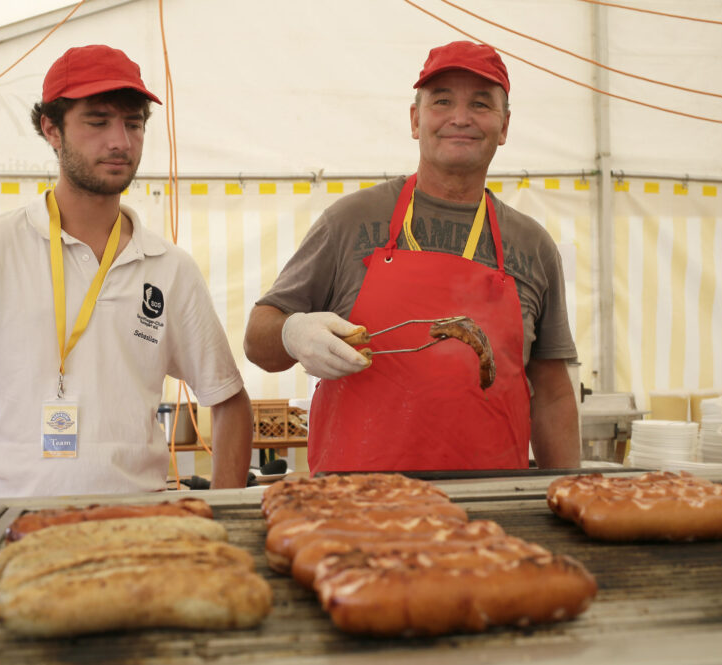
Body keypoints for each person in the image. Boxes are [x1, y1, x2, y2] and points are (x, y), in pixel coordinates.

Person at [0, 45, 253, 549]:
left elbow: (229, 400)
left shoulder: (169, 268)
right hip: (16, 540)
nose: (120, 141)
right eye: (98, 121)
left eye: (133, 124)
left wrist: (222, 527)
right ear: (51, 129)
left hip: (142, 540)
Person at [244, 41, 579, 474]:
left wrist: (567, 488)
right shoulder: (349, 222)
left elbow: (552, 393)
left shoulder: (533, 245)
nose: (461, 118)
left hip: (490, 503)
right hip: (356, 500)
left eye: (481, 104)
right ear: (416, 120)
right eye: (442, 101)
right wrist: (291, 333)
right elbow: (258, 340)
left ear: (505, 126)